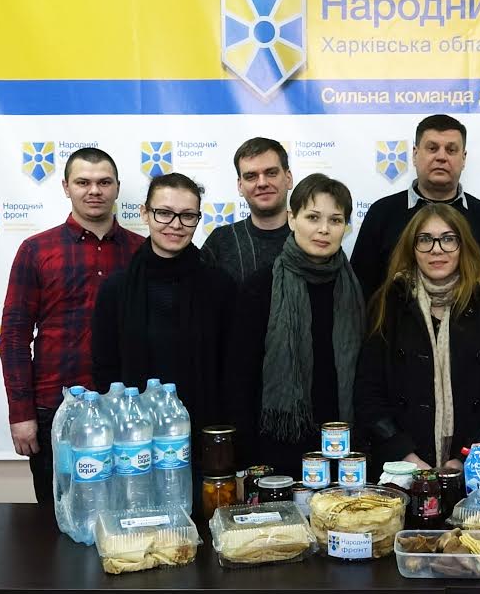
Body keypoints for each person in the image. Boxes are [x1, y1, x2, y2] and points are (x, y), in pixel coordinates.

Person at [0, 148, 144, 505]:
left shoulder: (142, 252)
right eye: (83, 182)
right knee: (56, 519)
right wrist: (21, 414)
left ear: (117, 187)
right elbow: (14, 338)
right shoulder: (36, 250)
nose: (94, 190)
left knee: (127, 513)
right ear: (66, 187)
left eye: (104, 182)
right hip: (55, 411)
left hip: (125, 411)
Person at [355, 204, 480, 471]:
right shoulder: (389, 302)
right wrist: (404, 455)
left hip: (475, 466)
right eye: (425, 239)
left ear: (463, 246)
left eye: (448, 239)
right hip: (403, 465)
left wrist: (471, 456)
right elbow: (369, 390)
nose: (437, 249)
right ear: (412, 248)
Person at [233, 173, 366, 477]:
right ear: (292, 219)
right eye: (313, 217)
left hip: (346, 451)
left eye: (335, 220)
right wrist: (247, 459)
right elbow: (240, 379)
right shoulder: (260, 287)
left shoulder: (359, 288)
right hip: (277, 450)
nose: (324, 229)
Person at [91, 172, 236, 432]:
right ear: (145, 213)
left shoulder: (220, 286)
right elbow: (105, 370)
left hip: (205, 429)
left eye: (187, 215)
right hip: (134, 435)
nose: (176, 224)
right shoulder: (116, 289)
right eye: (164, 213)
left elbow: (233, 370)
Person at [351, 114, 480, 302]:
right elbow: (359, 292)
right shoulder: (381, 214)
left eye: (451, 150)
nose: (441, 157)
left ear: (463, 158)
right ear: (415, 154)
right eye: (432, 148)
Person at [201, 138, 293, 284]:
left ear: (288, 179)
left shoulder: (313, 238)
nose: (262, 183)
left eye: (271, 173)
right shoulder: (220, 241)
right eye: (251, 176)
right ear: (240, 186)